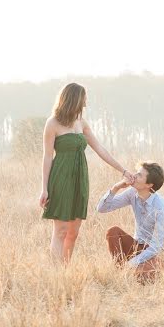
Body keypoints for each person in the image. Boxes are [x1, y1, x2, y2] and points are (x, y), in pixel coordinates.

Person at [39, 82, 134, 263]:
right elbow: (47, 157)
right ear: (73, 99)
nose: (85, 104)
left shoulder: (82, 123)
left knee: (73, 232)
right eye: (83, 100)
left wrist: (123, 170)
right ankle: (56, 274)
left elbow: (100, 149)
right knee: (61, 230)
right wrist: (44, 188)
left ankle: (65, 270)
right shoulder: (52, 123)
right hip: (60, 178)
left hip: (80, 179)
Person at [97, 161, 164, 283]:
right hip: (136, 247)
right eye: (136, 172)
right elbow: (102, 208)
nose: (134, 176)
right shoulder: (132, 193)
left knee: (144, 273)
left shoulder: (161, 206)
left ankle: (132, 274)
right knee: (113, 231)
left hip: (154, 253)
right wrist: (116, 187)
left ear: (149, 185)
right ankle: (122, 273)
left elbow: (156, 247)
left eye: (140, 175)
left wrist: (131, 264)